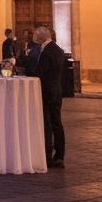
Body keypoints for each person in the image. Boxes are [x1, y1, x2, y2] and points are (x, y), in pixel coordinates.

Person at [33, 26, 66, 167]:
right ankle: (60, 155)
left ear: (41, 37)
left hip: (47, 92)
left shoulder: (46, 52)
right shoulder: (58, 49)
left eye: (35, 35)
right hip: (56, 91)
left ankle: (47, 155)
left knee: (47, 123)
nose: (34, 37)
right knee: (57, 123)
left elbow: (41, 73)